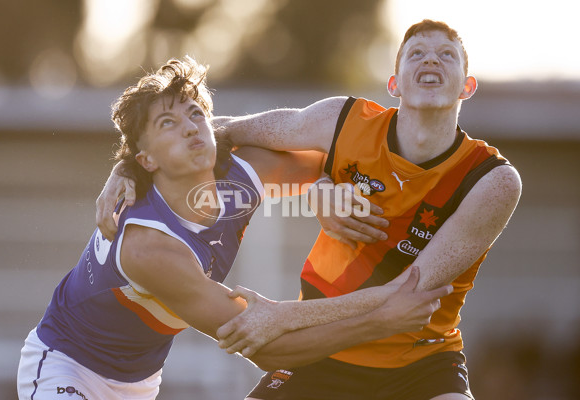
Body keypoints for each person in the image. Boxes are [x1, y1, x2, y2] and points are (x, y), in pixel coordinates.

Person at [18, 56, 451, 400]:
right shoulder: (149, 246)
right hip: (67, 364)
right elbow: (266, 347)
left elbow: (341, 160)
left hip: (138, 381)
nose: (189, 127)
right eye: (167, 123)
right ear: (146, 160)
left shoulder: (240, 171)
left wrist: (320, 186)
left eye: (194, 114)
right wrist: (381, 317)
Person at [210, 20, 522, 400]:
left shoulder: (492, 180)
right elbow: (224, 130)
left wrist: (280, 317)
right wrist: (127, 170)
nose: (432, 60)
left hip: (422, 362)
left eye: (447, 55)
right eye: (417, 53)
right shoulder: (341, 120)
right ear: (394, 84)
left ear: (467, 86)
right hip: (322, 347)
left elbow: (404, 295)